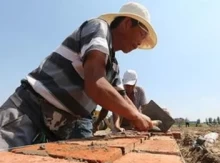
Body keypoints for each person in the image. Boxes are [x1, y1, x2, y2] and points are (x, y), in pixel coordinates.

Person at [0, 2, 157, 150]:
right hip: (26, 114)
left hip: (56, 130)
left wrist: (144, 119)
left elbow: (122, 97)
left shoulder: (113, 64)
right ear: (127, 24)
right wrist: (135, 116)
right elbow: (96, 84)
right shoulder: (99, 28)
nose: (140, 43)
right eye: (142, 34)